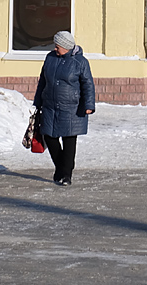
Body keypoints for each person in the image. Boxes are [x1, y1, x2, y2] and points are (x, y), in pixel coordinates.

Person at [34, 30, 96, 186]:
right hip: (49, 105)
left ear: (67, 46)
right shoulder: (50, 58)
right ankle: (61, 168)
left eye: (58, 46)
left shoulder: (80, 62)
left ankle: (66, 175)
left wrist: (89, 104)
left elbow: (88, 84)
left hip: (71, 108)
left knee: (69, 139)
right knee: (49, 136)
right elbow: (42, 81)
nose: (55, 49)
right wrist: (37, 101)